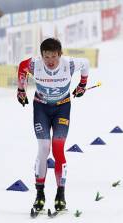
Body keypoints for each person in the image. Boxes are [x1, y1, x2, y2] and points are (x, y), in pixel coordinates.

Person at [17, 38, 90, 212]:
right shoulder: (35, 65)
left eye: (54, 57)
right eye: (46, 56)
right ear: (41, 55)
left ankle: (60, 195)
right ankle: (40, 195)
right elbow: (22, 67)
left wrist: (82, 85)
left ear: (60, 55)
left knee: (58, 149)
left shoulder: (69, 64)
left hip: (62, 109)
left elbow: (86, 64)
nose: (50, 61)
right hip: (41, 108)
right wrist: (21, 89)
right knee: (43, 148)